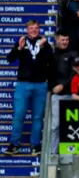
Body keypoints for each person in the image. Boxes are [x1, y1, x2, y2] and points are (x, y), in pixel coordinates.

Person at [5, 20, 54, 156]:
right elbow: (9, 59)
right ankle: (14, 144)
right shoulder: (22, 42)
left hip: (40, 85)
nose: (34, 30)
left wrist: (43, 48)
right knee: (19, 115)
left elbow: (51, 61)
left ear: (39, 30)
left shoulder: (45, 44)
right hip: (23, 84)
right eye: (31, 28)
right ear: (27, 30)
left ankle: (35, 145)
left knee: (38, 117)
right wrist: (18, 48)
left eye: (36, 28)